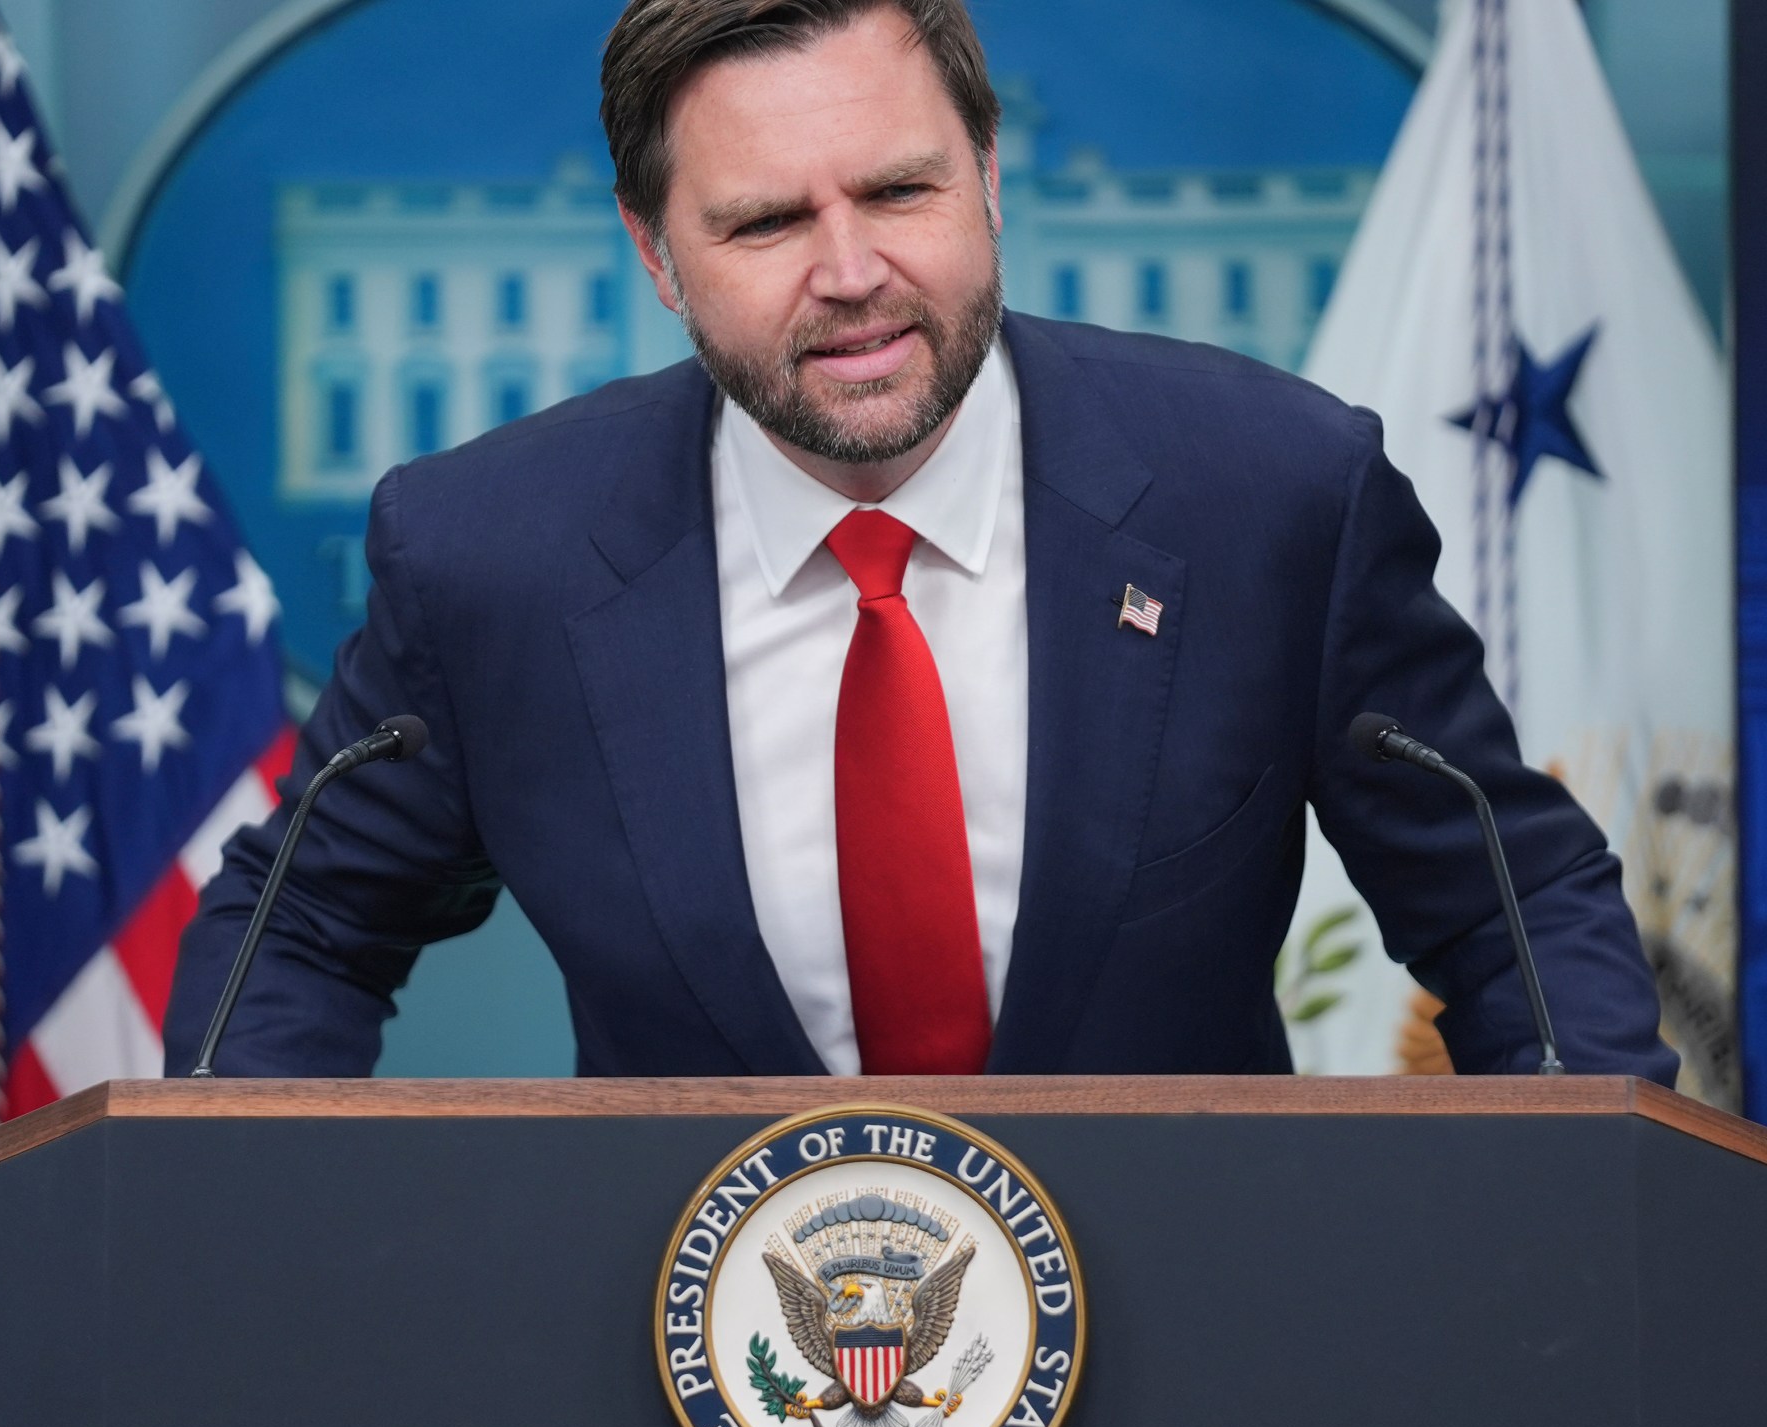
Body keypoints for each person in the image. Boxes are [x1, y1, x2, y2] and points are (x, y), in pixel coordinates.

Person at [163, 0, 1676, 1083]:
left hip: (1199, 1355)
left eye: (899, 191)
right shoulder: (492, 556)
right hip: (693, 1367)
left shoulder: (1270, 493)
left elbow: (1513, 900)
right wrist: (261, 1239)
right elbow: (296, 932)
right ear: (655, 251)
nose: (851, 271)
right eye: (764, 223)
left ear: (991, 177)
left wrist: (1557, 1235)